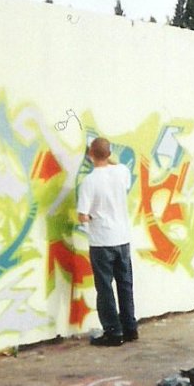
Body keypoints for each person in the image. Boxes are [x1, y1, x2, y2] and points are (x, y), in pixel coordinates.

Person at [77, 136, 138, 346]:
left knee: (105, 288)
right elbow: (112, 161)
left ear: (90, 155)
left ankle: (113, 333)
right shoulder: (121, 172)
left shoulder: (88, 181)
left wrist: (92, 217)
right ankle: (130, 328)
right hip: (122, 238)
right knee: (125, 284)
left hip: (102, 241)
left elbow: (83, 215)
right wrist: (102, 153)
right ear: (109, 154)